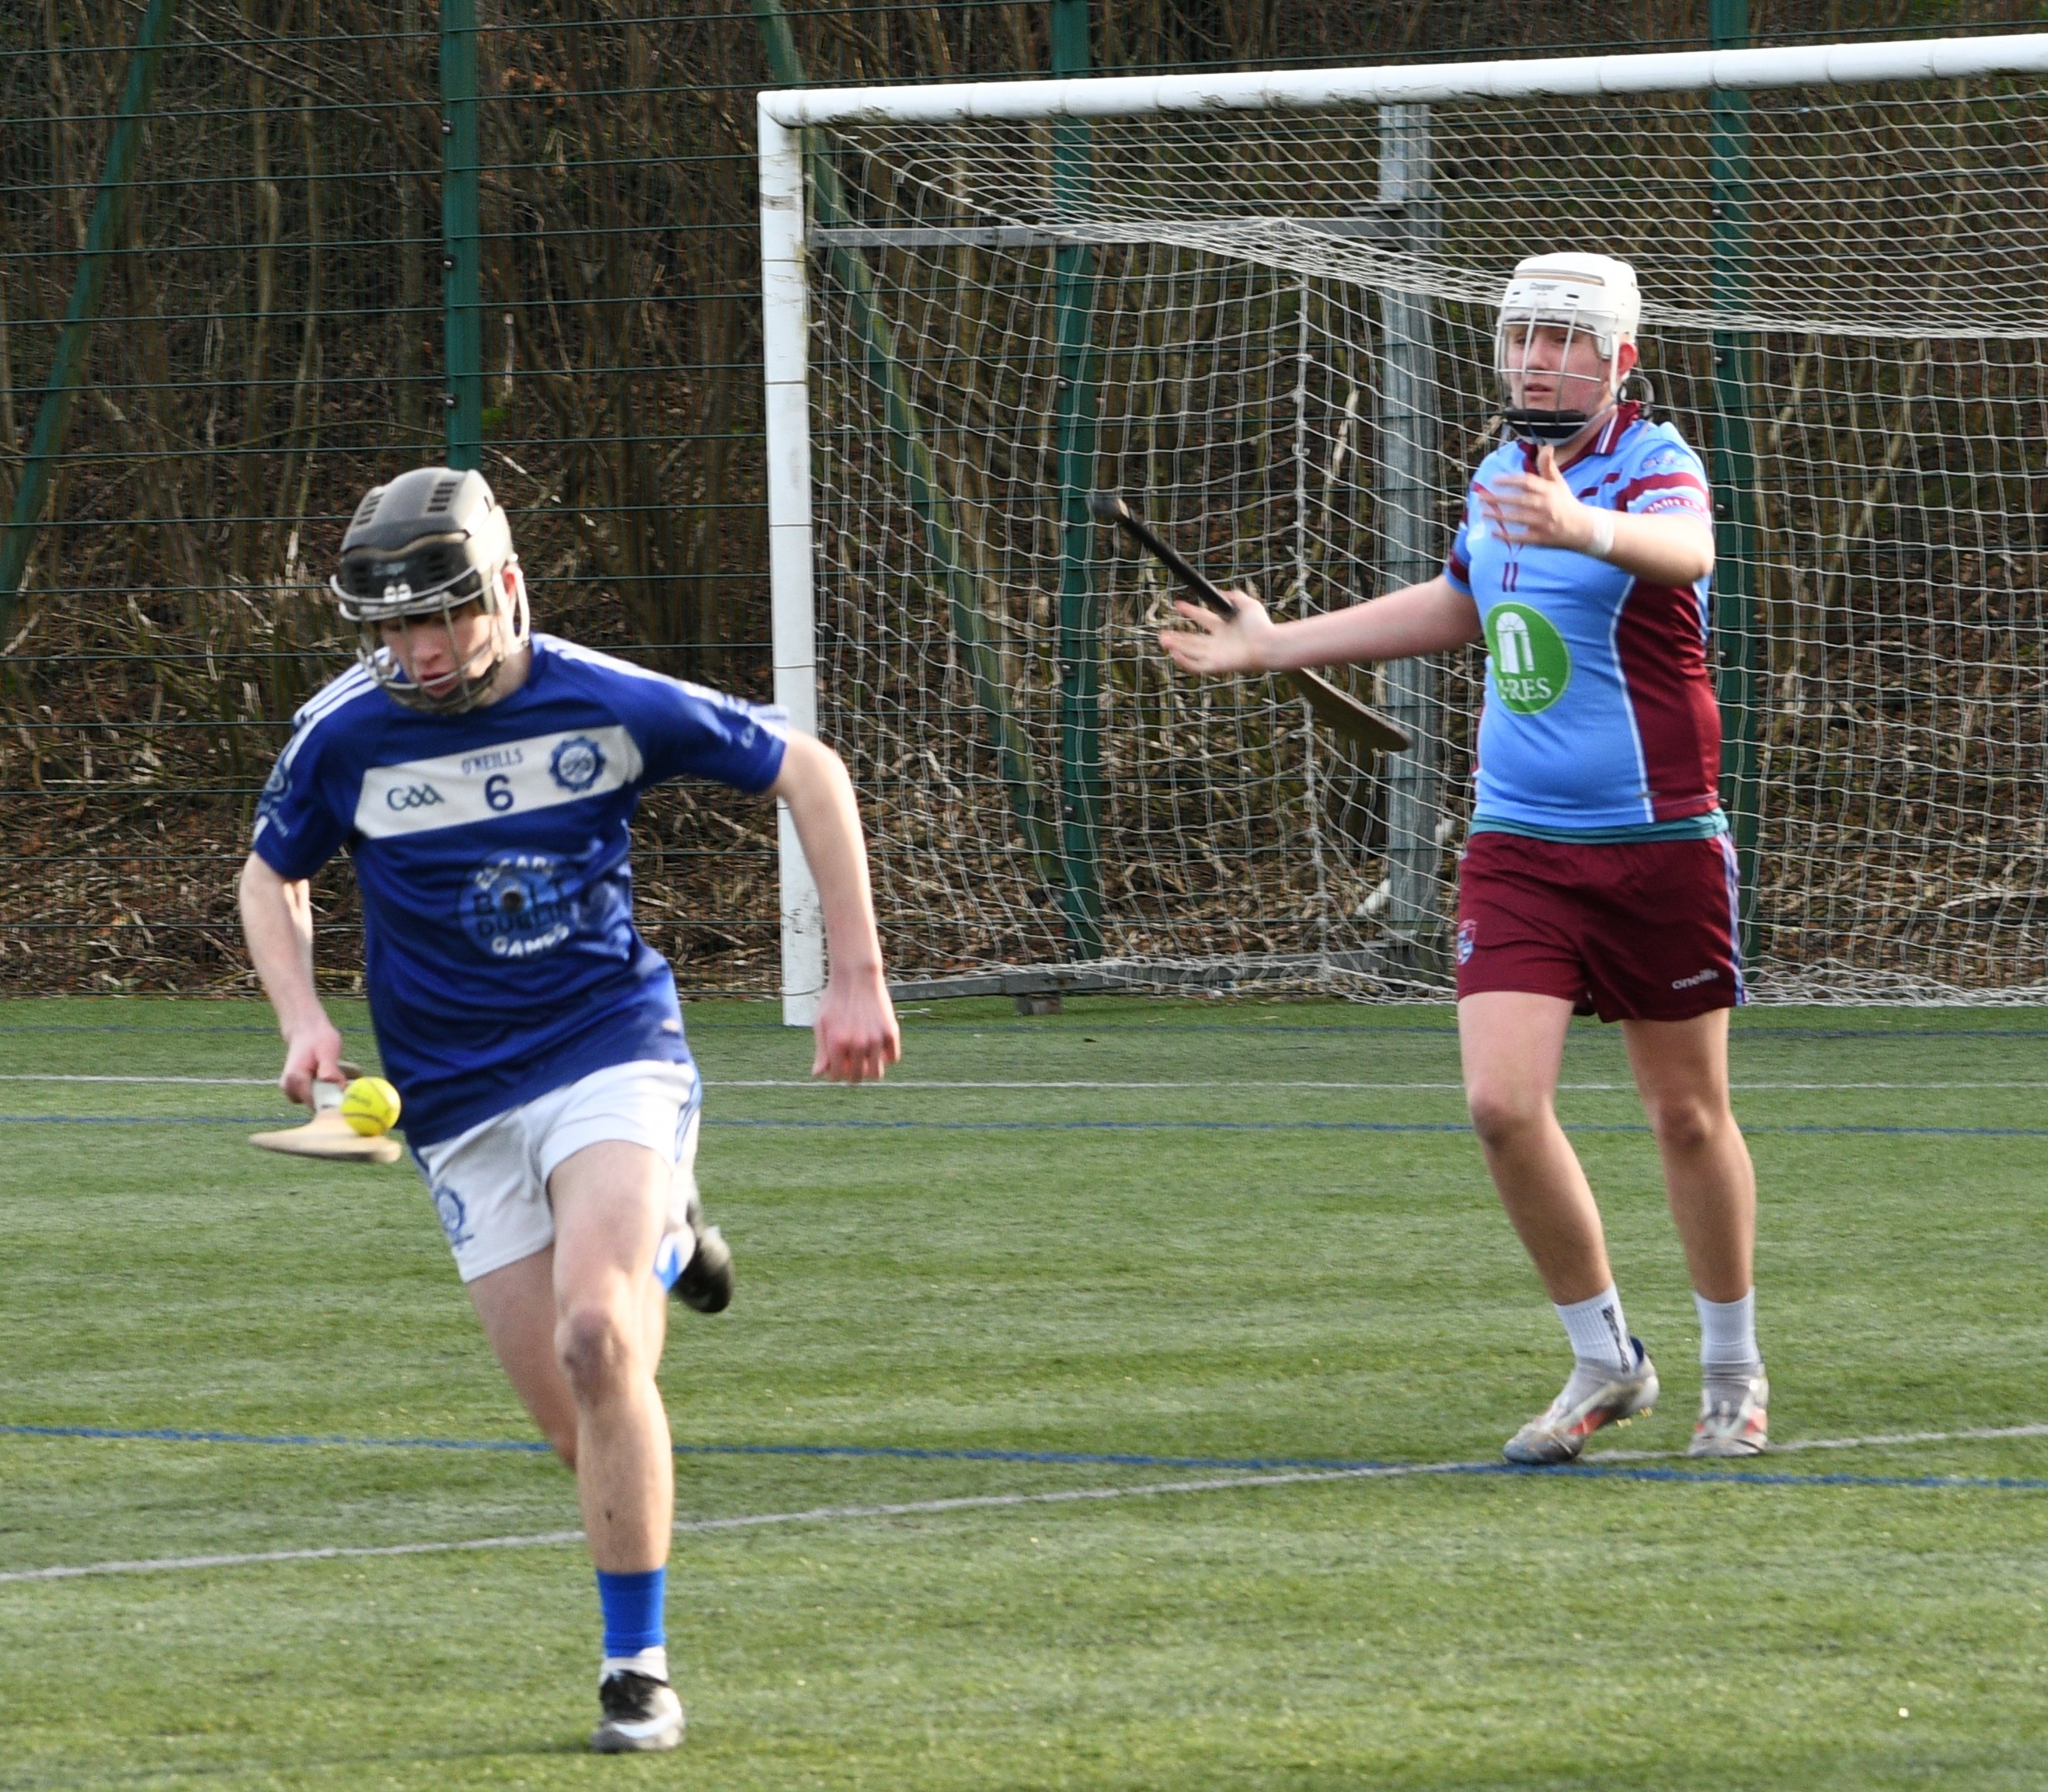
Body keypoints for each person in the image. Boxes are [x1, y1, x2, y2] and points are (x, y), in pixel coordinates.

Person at [239, 465, 900, 1752]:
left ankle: (636, 1671)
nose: (422, 651)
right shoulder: (344, 737)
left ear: (505, 589)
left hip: (608, 1053)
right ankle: (670, 1238)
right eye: (395, 627)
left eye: (446, 615)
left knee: (600, 1338)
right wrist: (301, 1020)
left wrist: (855, 977)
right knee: (576, 1426)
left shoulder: (603, 699)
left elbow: (810, 773)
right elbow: (271, 879)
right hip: (454, 1108)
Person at [1158, 252, 1767, 1463]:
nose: (1539, 358)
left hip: (1658, 844)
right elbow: (1460, 604)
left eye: (1567, 339)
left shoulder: (1655, 464)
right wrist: (1275, 646)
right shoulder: (1496, 474)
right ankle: (1606, 1360)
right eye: (1524, 336)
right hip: (1518, 844)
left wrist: (1583, 525)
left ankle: (1732, 1370)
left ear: (1620, 360)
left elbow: (1687, 554)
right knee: (1500, 1106)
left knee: (1687, 1116)